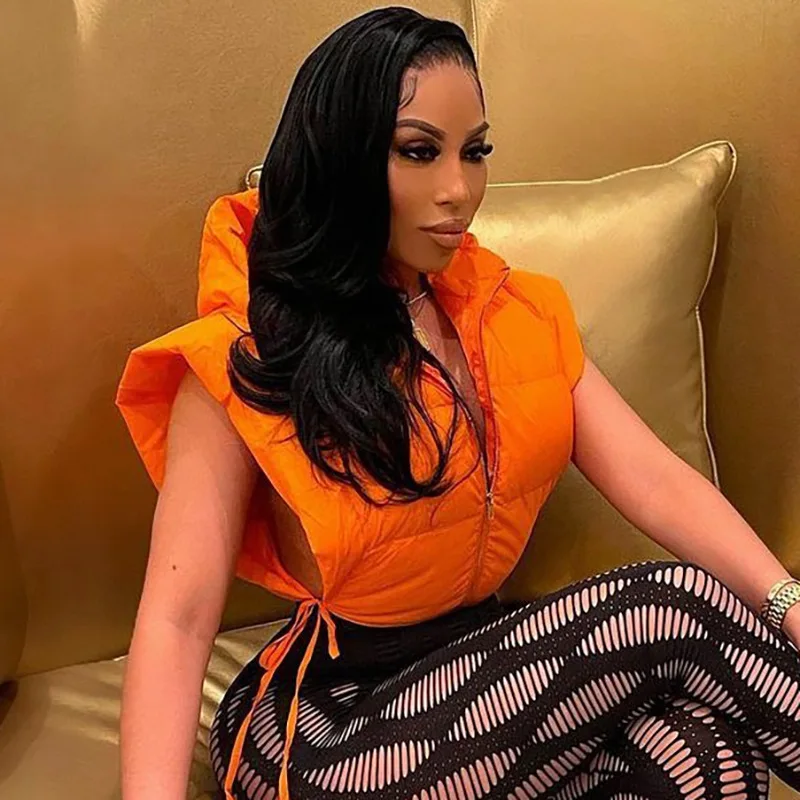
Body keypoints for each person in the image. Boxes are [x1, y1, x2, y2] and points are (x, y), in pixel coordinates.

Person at [115, 7, 800, 800]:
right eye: (418, 151)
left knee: (701, 752)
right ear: (341, 156)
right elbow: (178, 619)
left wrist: (788, 605)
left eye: (475, 152)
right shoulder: (242, 354)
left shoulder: (515, 314)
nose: (458, 190)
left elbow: (656, 481)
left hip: (483, 677)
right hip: (326, 728)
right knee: (671, 606)